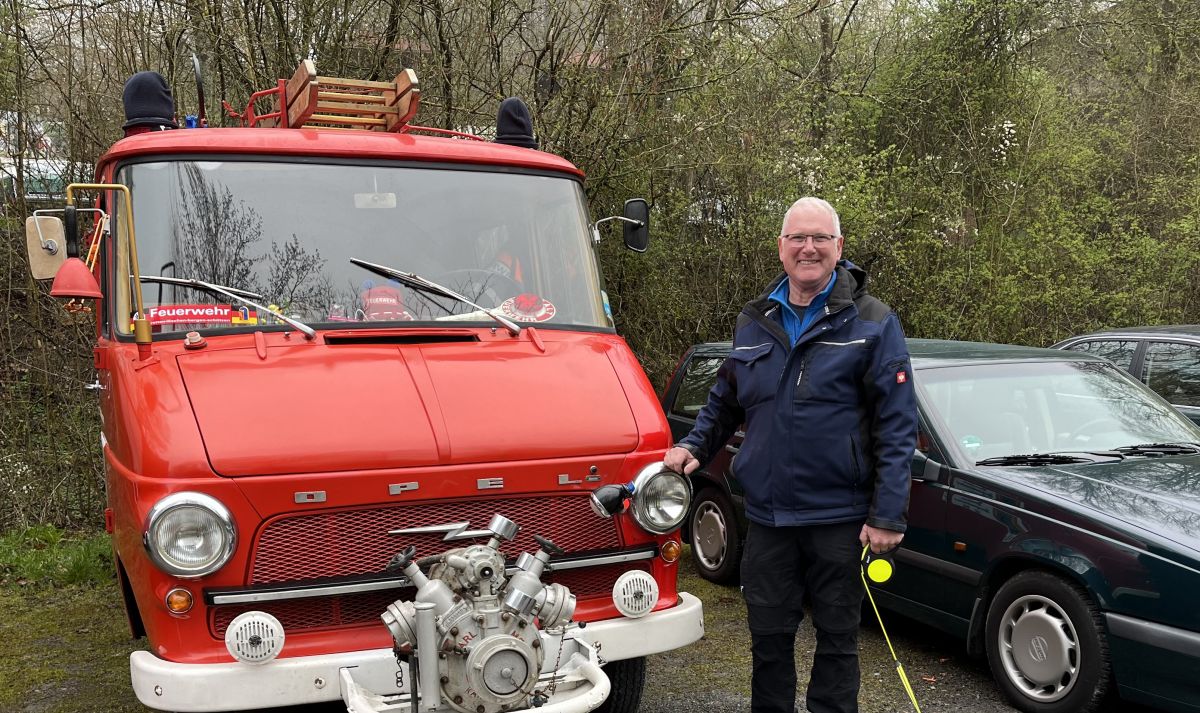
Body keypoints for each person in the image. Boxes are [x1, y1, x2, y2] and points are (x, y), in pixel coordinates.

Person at [664, 197, 917, 713]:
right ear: (781, 247)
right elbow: (726, 399)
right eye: (798, 238)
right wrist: (694, 445)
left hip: (840, 520)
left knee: (839, 642)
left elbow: (896, 425)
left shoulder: (872, 321)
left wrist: (888, 514)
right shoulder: (755, 319)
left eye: (820, 238)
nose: (809, 248)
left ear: (838, 247)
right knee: (769, 643)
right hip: (769, 518)